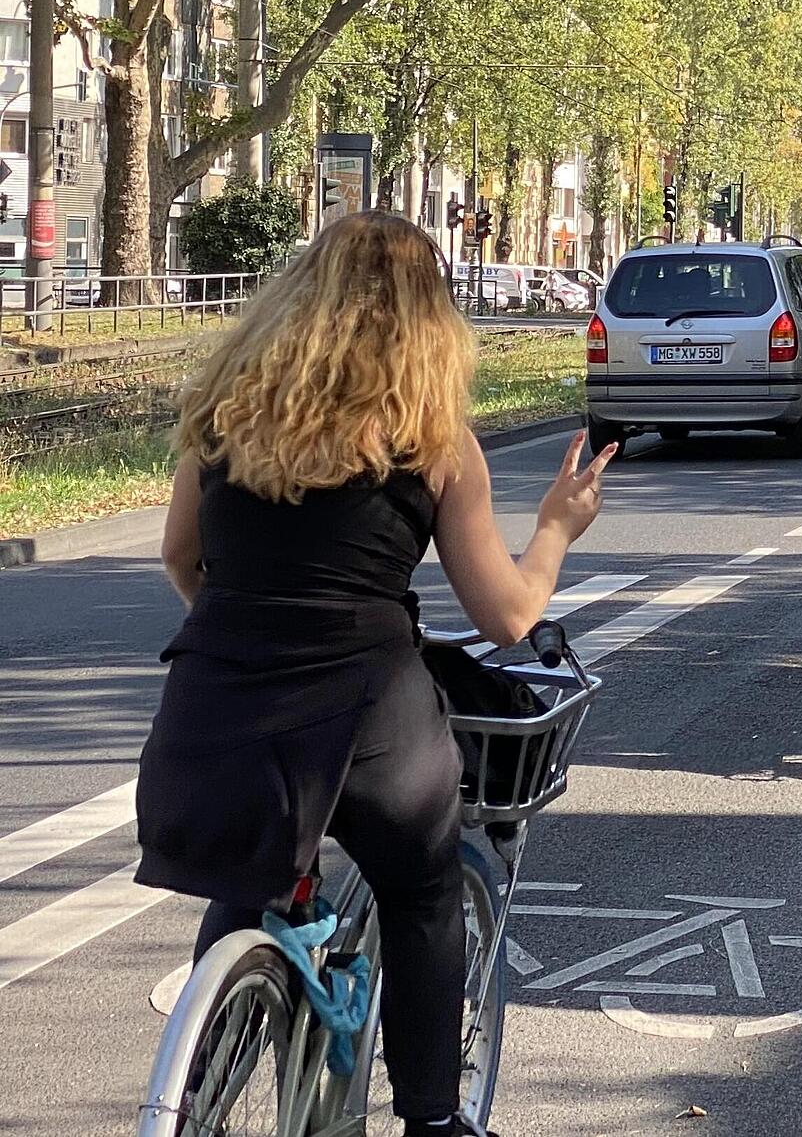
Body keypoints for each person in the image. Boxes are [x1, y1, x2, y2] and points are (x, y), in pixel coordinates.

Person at [135, 212, 617, 1137]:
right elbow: (509, 617)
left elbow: (183, 563)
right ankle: (432, 1122)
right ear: (427, 322)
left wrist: (250, 637)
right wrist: (557, 525)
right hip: (372, 727)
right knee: (423, 890)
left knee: (253, 871)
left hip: (215, 711)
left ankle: (198, 1095)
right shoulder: (433, 441)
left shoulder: (221, 416)